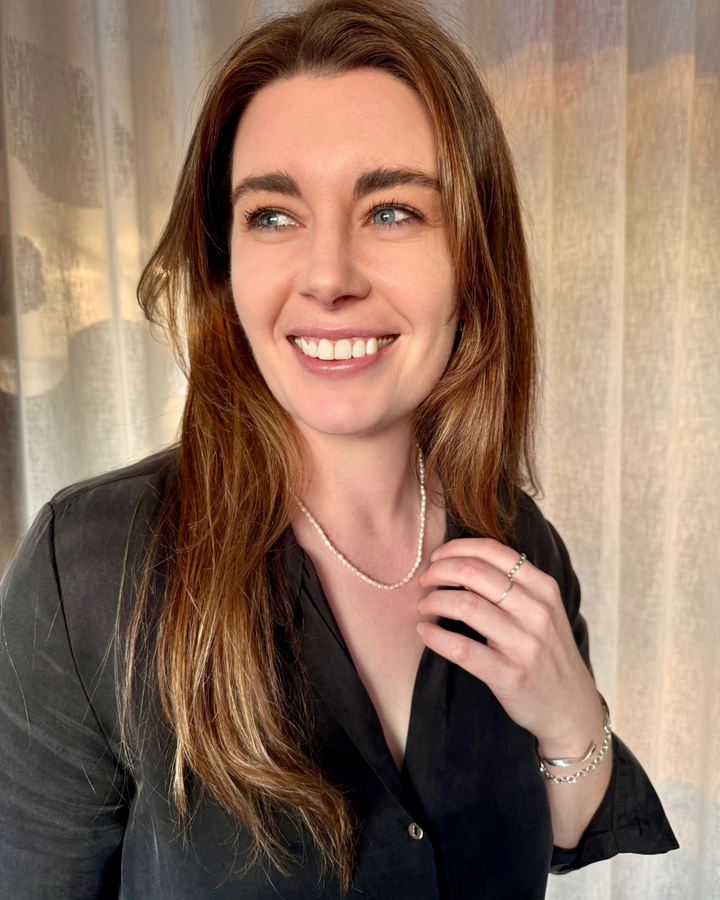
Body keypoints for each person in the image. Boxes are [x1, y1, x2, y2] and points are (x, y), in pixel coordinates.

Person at [0, 0, 678, 897]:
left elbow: (565, 825)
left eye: (392, 211)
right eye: (273, 217)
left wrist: (569, 720)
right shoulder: (88, 573)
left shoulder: (519, 543)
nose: (328, 278)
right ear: (223, 263)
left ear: (473, 259)